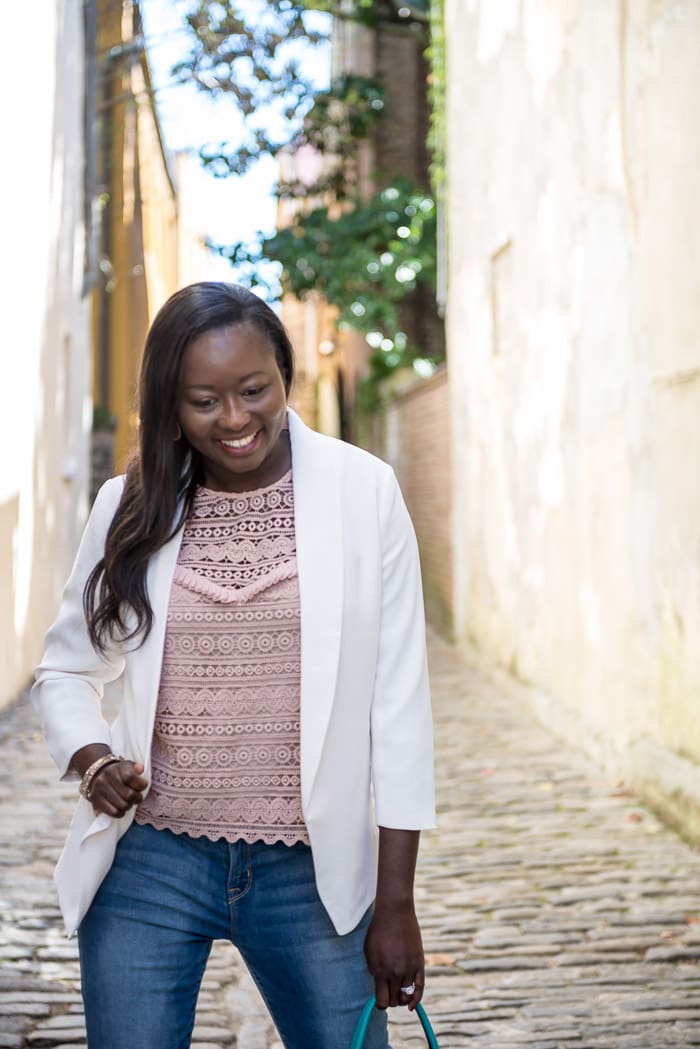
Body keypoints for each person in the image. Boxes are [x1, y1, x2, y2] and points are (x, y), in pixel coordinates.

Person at [32, 281, 435, 1049]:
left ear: (285, 374)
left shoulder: (363, 492)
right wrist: (92, 758)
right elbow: (67, 667)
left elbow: (401, 709)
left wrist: (396, 902)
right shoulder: (132, 504)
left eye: (255, 389)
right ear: (170, 403)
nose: (236, 418)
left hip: (309, 872)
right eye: (204, 400)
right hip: (149, 861)